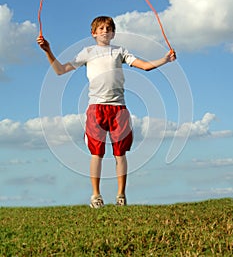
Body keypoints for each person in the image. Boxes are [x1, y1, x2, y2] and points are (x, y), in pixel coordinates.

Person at [37, 16, 176, 208]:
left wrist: (165, 59)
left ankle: (121, 196)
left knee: (120, 154)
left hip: (119, 108)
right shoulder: (88, 52)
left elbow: (145, 66)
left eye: (109, 28)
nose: (105, 30)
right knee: (97, 153)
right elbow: (60, 70)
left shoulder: (120, 51)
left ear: (113, 33)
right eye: (101, 28)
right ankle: (96, 196)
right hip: (96, 109)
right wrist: (48, 51)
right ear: (93, 33)